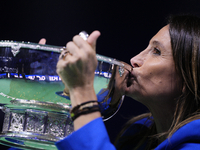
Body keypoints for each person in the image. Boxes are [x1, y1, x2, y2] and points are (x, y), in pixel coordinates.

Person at [55, 14, 200, 150]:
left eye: (156, 51)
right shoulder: (137, 137)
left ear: (189, 76)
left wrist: (82, 91)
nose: (135, 60)